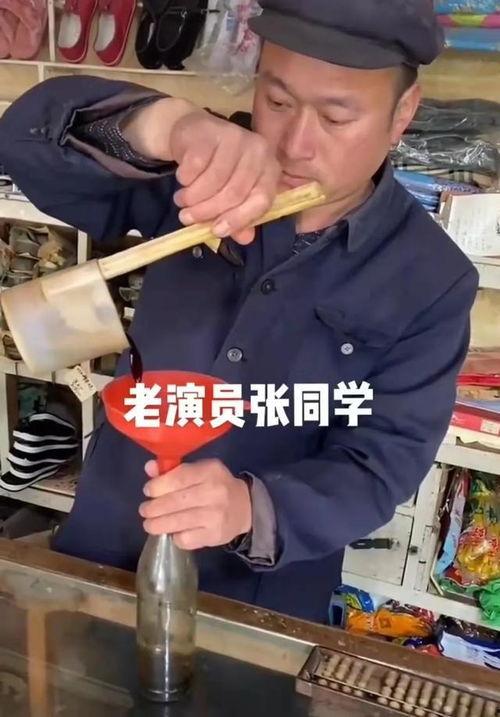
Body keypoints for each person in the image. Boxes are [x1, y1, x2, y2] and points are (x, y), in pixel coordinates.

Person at [0, 0, 478, 623]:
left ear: (402, 114)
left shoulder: (430, 279)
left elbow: (381, 464)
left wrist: (250, 508)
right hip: (105, 544)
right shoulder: (199, 175)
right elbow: (22, 140)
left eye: (336, 117)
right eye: (277, 102)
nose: (296, 145)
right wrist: (167, 126)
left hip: (258, 601)